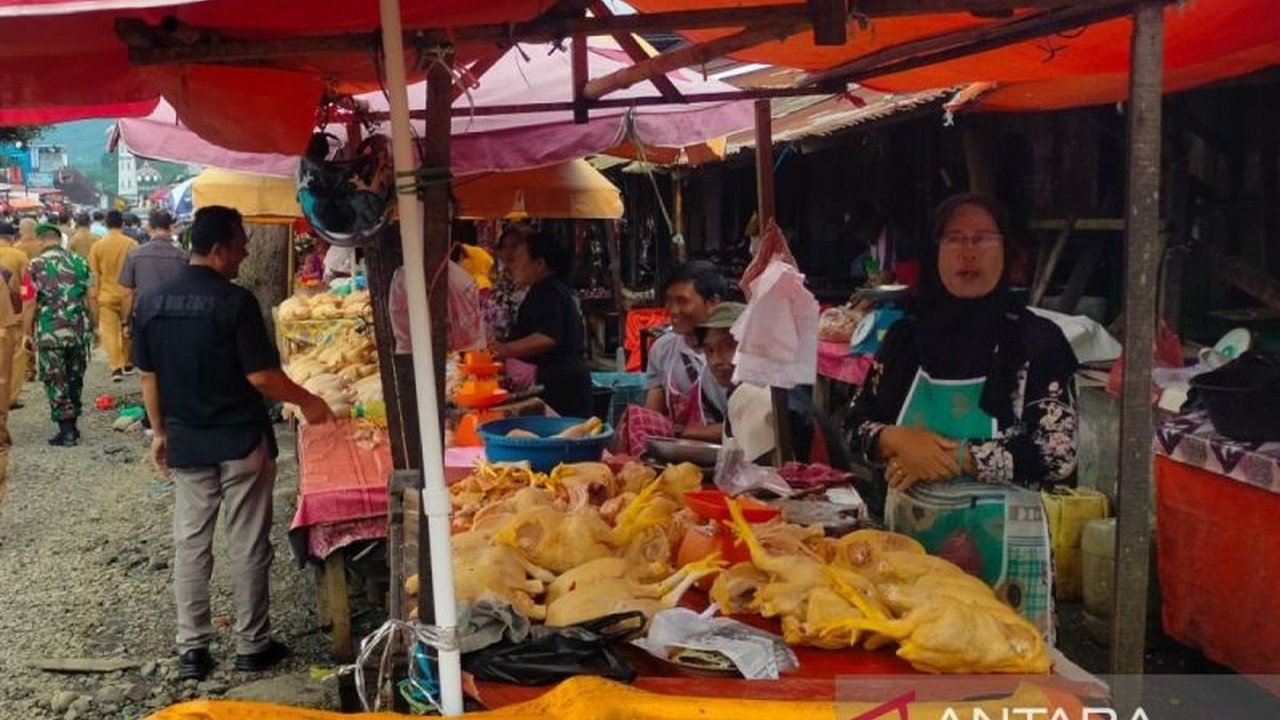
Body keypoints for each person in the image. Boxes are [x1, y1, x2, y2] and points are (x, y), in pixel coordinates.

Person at [132, 205, 336, 682]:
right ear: (219, 249)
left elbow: (148, 376)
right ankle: (251, 644)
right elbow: (261, 375)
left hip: (187, 441)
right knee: (247, 542)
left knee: (191, 543)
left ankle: (193, 650)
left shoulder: (152, 302)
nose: (246, 251)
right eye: (241, 243)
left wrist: (159, 432)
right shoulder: (235, 301)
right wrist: (308, 402)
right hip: (239, 440)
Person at [843, 192, 1077, 604]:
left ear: (1006, 249)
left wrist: (956, 459)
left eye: (983, 238)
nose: (968, 253)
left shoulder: (1036, 342)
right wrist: (896, 441)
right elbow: (853, 425)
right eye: (954, 239)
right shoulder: (904, 339)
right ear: (934, 252)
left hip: (1006, 557)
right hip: (911, 554)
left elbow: (1056, 454)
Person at [492, 231, 591, 417]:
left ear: (539, 264)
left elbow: (546, 338)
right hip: (565, 381)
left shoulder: (546, 291)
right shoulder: (552, 288)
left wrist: (504, 349)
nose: (512, 265)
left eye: (518, 259)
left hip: (561, 386)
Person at [29, 222, 94, 446]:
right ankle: (73, 425)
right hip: (78, 329)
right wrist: (94, 325)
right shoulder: (80, 262)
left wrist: (28, 331)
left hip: (50, 332)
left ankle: (65, 429)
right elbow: (91, 296)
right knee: (75, 376)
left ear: (40, 240)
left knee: (55, 378)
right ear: (59, 239)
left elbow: (31, 302)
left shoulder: (35, 265)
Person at [119, 209, 188, 338]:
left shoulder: (135, 255)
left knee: (143, 356)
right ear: (170, 228)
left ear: (149, 227)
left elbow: (127, 294)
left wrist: (126, 322)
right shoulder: (183, 257)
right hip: (174, 318)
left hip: (143, 316)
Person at [88, 210, 138, 381]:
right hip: (127, 293)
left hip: (106, 295)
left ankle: (115, 367)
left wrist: (93, 295)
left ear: (105, 224)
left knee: (109, 332)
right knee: (128, 327)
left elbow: (94, 275)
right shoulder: (131, 244)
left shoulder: (97, 246)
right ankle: (128, 361)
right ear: (123, 224)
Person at [0, 223, 29, 409]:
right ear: (13, 237)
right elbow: (26, 288)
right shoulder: (19, 256)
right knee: (17, 355)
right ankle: (10, 397)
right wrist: (24, 308)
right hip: (11, 314)